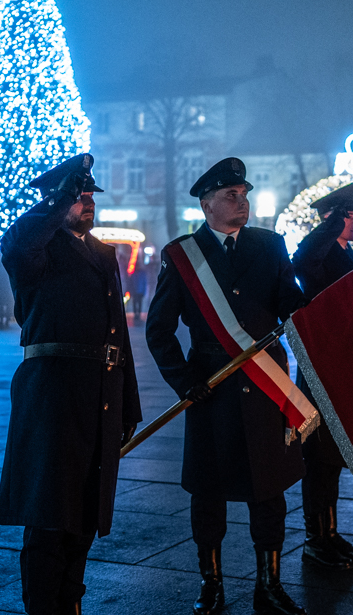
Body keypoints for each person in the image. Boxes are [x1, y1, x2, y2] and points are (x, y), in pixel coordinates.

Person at [147, 157, 308, 615]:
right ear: (207, 204)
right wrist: (184, 381)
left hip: (265, 387)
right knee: (209, 494)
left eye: (244, 195)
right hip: (211, 390)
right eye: (231, 196)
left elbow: (290, 305)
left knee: (270, 491)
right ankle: (211, 582)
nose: (242, 202)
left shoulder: (270, 245)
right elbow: (158, 330)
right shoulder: (182, 256)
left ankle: (269, 585)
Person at [0, 153, 142, 615]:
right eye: (78, 197)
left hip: (98, 396)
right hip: (52, 398)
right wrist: (57, 205)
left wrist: (128, 406)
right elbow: (20, 244)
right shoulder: (34, 248)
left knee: (84, 513)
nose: (88, 202)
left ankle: (71, 601)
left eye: (89, 195)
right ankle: (43, 607)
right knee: (48, 517)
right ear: (56, 203)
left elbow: (116, 334)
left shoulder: (102, 254)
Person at [290, 183, 353, 571]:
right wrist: (328, 225)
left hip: (342, 364)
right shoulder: (319, 252)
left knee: (334, 455)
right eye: (350, 216)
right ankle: (314, 539)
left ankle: (330, 533)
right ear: (334, 218)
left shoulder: (345, 253)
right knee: (318, 455)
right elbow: (302, 263)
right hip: (320, 367)